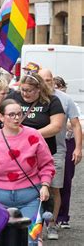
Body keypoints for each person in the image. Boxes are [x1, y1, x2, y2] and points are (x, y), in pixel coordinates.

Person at [0, 99, 55, 246]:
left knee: (30, 240)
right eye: (11, 115)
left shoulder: (34, 135)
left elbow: (47, 163)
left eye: (19, 114)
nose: (17, 118)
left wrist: (45, 185)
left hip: (30, 197)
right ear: (0, 116)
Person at [38, 69, 82, 237]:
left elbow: (76, 124)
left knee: (55, 188)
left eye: (49, 80)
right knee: (35, 188)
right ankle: (35, 224)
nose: (47, 83)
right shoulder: (33, 97)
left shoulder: (65, 99)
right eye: (44, 80)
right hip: (33, 151)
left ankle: (52, 224)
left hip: (57, 150)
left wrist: (78, 148)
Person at [6, 73, 65, 155]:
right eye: (22, 90)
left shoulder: (51, 100)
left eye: (29, 91)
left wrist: (30, 135)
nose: (25, 94)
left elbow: (56, 127)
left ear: (39, 89)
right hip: (17, 150)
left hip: (42, 151)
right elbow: (1, 115)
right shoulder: (14, 96)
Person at [54, 76, 83, 229]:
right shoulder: (48, 102)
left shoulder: (69, 102)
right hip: (51, 143)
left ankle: (63, 216)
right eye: (55, 85)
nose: (57, 88)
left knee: (65, 180)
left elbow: (77, 124)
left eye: (60, 86)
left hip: (67, 142)